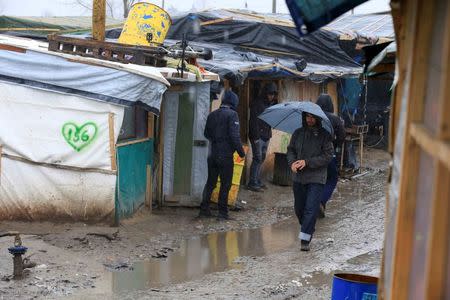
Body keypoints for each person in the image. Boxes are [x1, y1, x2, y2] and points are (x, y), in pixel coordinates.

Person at [287, 112, 333, 251]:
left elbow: (327, 156)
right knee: (299, 208)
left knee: (310, 208)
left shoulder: (325, 135)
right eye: (307, 117)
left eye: (313, 117)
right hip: (299, 178)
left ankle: (305, 240)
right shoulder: (298, 133)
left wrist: (307, 162)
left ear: (317, 119)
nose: (310, 120)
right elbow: (290, 150)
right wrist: (292, 163)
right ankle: (308, 227)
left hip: (316, 177)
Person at [199, 90, 245, 221]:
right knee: (225, 184)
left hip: (212, 154)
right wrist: (241, 152)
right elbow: (235, 137)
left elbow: (206, 134)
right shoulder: (233, 115)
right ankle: (222, 213)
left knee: (211, 183)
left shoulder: (212, 115)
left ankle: (204, 209)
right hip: (225, 156)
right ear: (234, 102)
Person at [316, 94, 346, 218]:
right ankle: (321, 201)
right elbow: (342, 137)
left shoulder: (313, 117)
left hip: (314, 155)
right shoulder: (335, 119)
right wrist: (336, 147)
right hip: (329, 155)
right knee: (332, 179)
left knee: (317, 180)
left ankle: (316, 205)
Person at [247, 82, 277, 192]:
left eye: (273, 94)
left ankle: (257, 180)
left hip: (266, 136)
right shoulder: (257, 104)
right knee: (257, 158)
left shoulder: (270, 105)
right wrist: (255, 138)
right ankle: (252, 182)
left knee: (262, 158)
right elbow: (253, 122)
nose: (272, 96)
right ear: (265, 93)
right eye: (270, 94)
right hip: (257, 136)